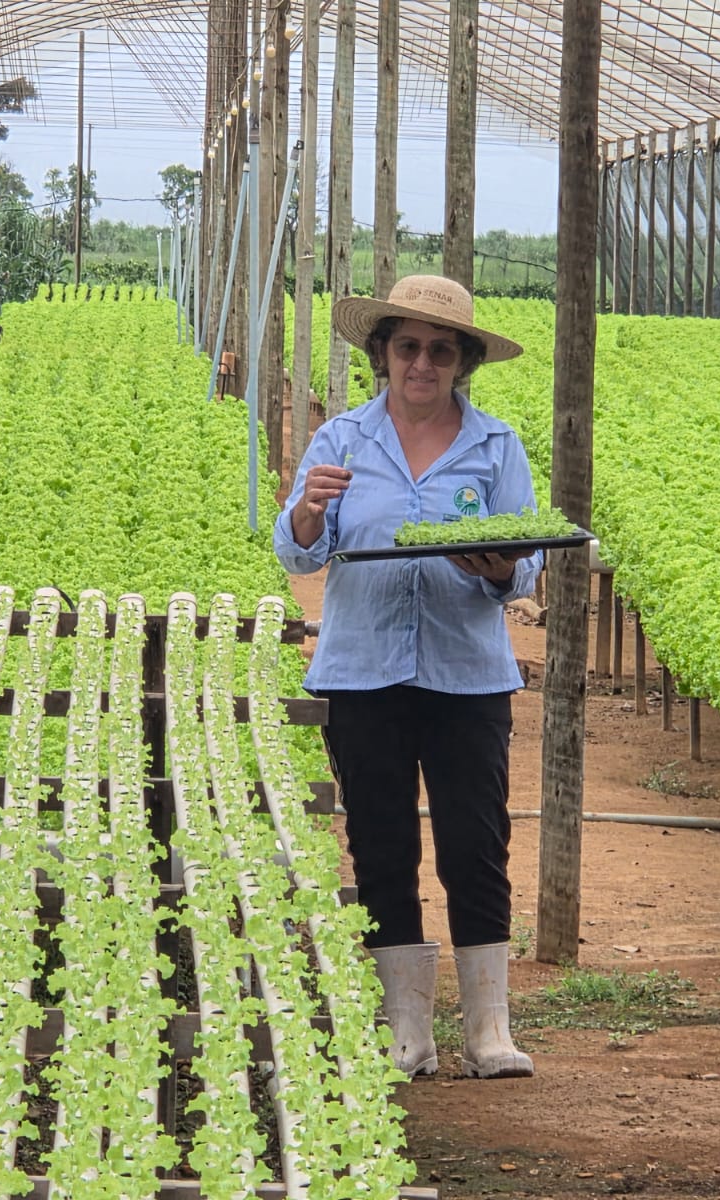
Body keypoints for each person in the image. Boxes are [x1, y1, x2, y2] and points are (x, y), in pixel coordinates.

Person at [274, 274, 540, 1081]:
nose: (422, 364)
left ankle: (489, 1033)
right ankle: (407, 1034)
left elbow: (526, 562)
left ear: (462, 363)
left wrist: (500, 568)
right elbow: (298, 553)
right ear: (383, 354)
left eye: (441, 351)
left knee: (476, 844)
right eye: (408, 348)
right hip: (363, 674)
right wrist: (307, 512)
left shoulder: (495, 447)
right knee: (381, 843)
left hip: (467, 676)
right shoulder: (341, 441)